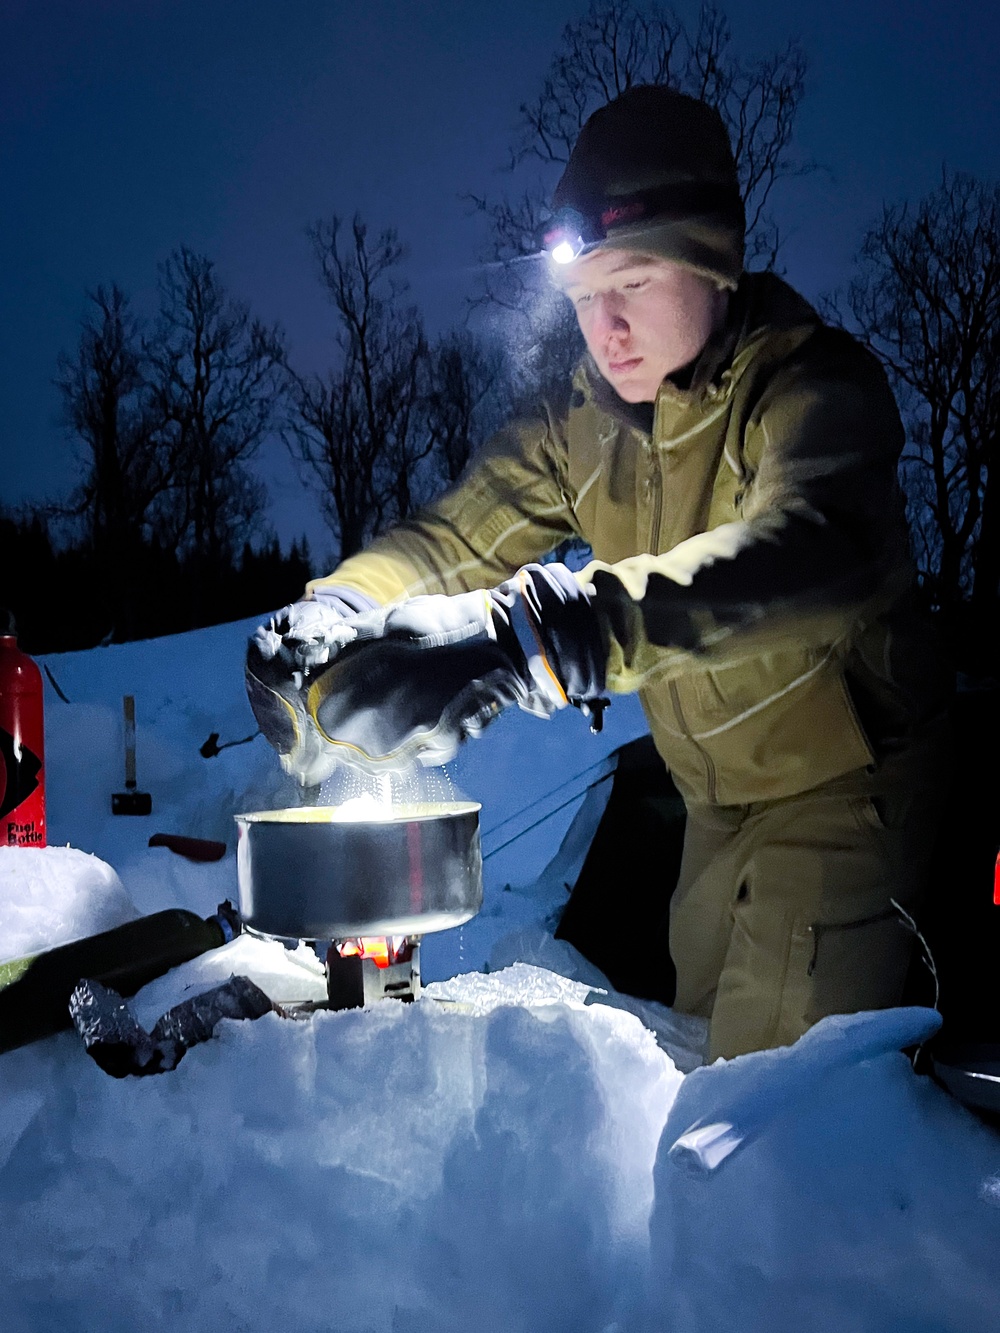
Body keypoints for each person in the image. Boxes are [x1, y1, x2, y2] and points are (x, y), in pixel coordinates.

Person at [246, 85, 953, 1060]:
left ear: (714, 264)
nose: (604, 327)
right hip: (712, 809)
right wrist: (332, 609)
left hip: (845, 788)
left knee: (772, 1102)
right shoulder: (586, 423)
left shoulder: (811, 388)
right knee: (703, 1056)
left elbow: (800, 554)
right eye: (583, 299)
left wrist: (538, 634)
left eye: (632, 285)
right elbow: (455, 537)